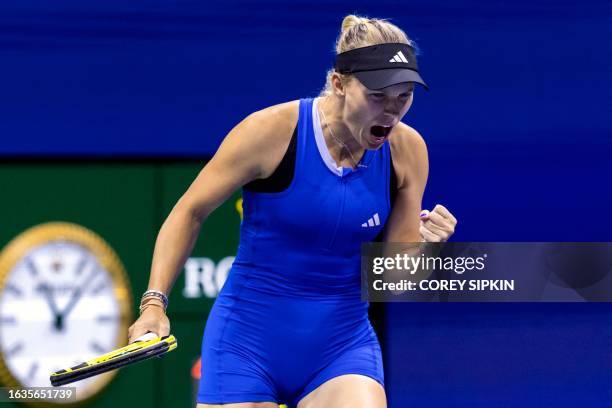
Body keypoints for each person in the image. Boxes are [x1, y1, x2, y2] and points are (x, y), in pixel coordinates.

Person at [128, 14, 457, 408]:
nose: (392, 111)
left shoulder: (408, 150)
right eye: (377, 96)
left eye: (404, 96)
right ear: (339, 84)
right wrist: (153, 304)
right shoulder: (269, 132)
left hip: (341, 346)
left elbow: (394, 278)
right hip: (246, 345)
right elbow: (189, 212)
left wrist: (425, 246)